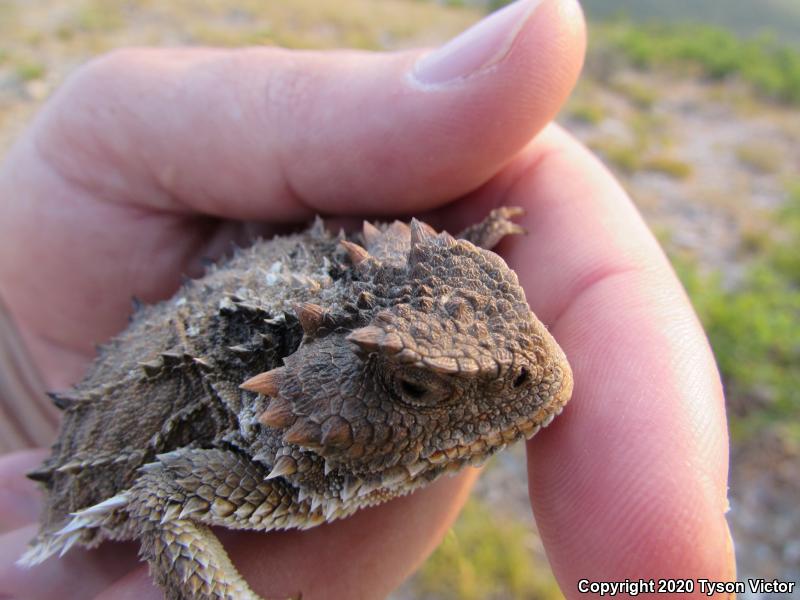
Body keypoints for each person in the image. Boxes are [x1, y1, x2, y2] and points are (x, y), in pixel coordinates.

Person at [0, 0, 735, 597]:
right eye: (417, 385)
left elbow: (388, 268)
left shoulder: (389, 282)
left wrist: (467, 236)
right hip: (98, 442)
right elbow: (163, 496)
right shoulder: (287, 447)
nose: (534, 363)